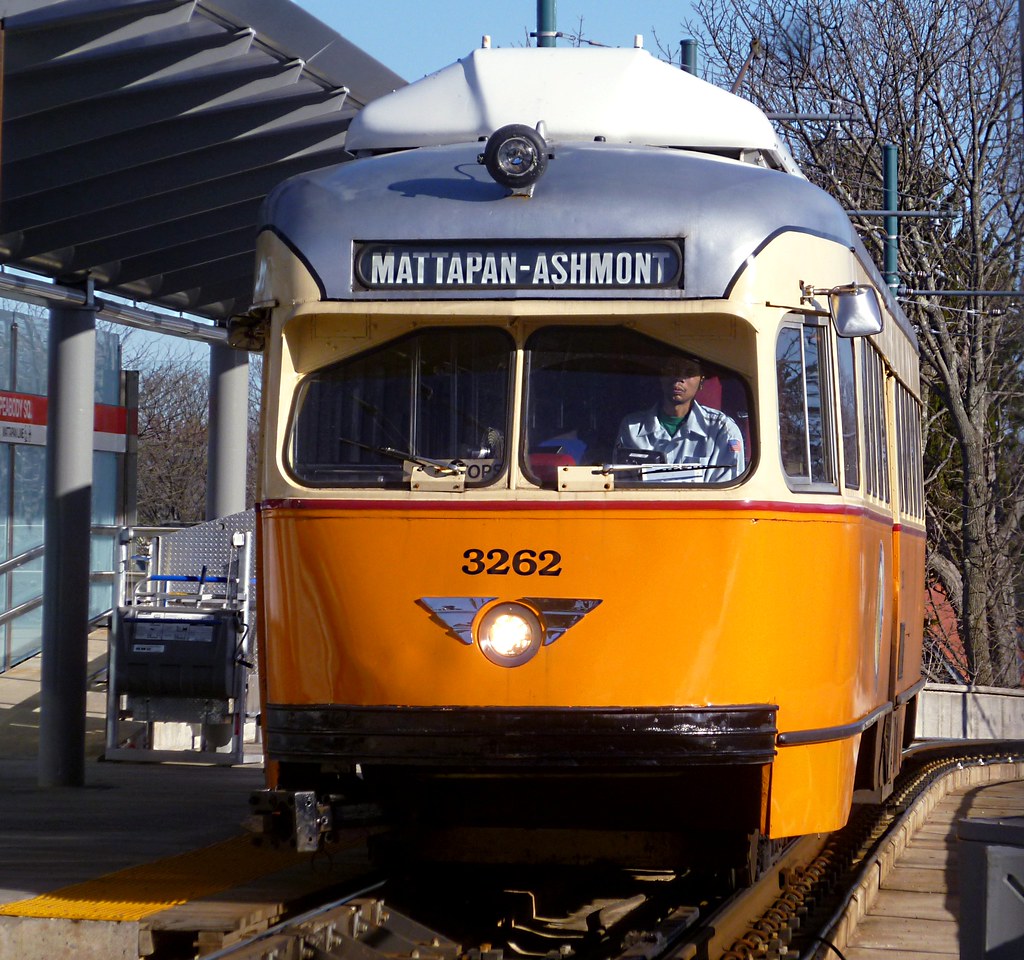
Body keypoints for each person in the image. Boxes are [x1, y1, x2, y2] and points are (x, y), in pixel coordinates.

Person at [614, 355, 745, 482]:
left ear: (701, 382)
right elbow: (621, 483)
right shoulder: (632, 427)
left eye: (689, 372)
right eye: (672, 370)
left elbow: (727, 491)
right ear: (661, 377)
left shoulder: (721, 429)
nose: (679, 377)